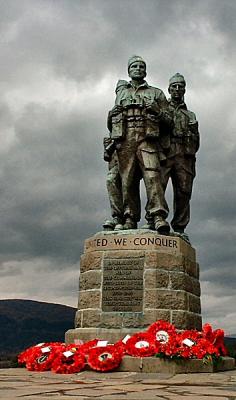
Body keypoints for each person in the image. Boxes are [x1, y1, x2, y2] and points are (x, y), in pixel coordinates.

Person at [107, 55, 171, 233]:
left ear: (145, 70)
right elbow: (113, 124)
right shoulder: (122, 94)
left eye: (141, 66)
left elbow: (169, 122)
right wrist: (112, 114)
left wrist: (157, 111)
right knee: (127, 180)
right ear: (129, 70)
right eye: (134, 66)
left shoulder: (156, 93)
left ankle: (157, 216)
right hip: (125, 140)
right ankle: (129, 217)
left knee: (152, 176)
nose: (138, 69)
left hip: (146, 139)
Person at [159, 73, 200, 240]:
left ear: (184, 90)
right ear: (169, 89)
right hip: (166, 151)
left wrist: (192, 136)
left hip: (184, 154)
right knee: (158, 185)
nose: (177, 89)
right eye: (174, 86)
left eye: (180, 87)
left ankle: (179, 227)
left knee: (184, 191)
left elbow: (197, 141)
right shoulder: (162, 108)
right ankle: (156, 219)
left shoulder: (190, 115)